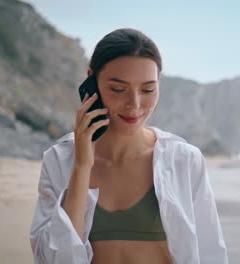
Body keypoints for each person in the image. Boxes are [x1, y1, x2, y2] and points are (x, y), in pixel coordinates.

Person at [29, 28, 228, 264]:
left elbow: (211, 254)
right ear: (91, 80)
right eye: (118, 89)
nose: (134, 104)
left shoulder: (183, 160)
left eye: (147, 89)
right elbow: (52, 259)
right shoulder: (60, 160)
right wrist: (82, 167)